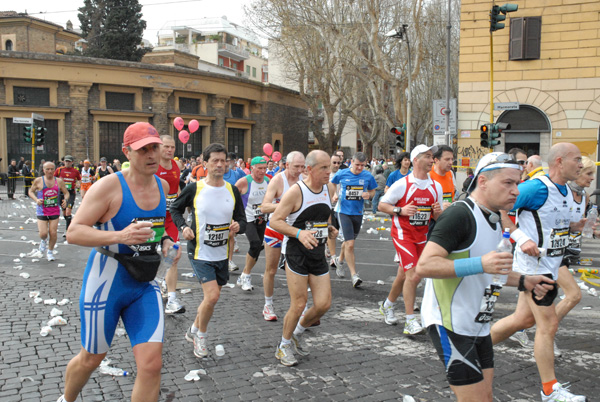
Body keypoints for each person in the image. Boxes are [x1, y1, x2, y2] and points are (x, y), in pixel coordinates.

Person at [415, 152, 555, 402]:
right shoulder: (460, 214)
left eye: (518, 182)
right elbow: (424, 266)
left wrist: (525, 281)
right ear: (483, 182)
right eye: (508, 182)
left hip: (479, 323)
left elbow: (491, 269)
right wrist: (480, 263)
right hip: (451, 323)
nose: (516, 190)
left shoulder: (495, 219)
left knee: (485, 397)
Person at [58, 122, 176, 402]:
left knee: (151, 364)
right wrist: (120, 235)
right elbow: (73, 232)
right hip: (106, 282)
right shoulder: (108, 187)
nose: (150, 155)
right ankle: (66, 399)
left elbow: (159, 227)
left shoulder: (162, 184)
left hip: (143, 284)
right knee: (92, 357)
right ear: (127, 152)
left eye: (154, 148)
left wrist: (167, 242)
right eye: (142, 149)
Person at [490, 143, 588, 402]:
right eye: (576, 159)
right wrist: (522, 239)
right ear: (559, 161)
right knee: (549, 324)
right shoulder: (536, 187)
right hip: (534, 269)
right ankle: (549, 389)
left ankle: (472, 349)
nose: (581, 164)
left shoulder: (566, 190)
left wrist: (574, 225)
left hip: (551, 266)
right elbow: (502, 207)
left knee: (522, 320)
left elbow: (551, 221)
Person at [171, 143, 246, 358]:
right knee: (212, 296)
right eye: (215, 160)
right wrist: (183, 227)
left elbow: (242, 218)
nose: (220, 164)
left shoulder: (231, 190)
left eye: (223, 160)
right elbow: (175, 208)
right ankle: (201, 337)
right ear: (205, 163)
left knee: (211, 299)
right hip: (199, 252)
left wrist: (239, 226)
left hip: (222, 254)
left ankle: (193, 329)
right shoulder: (195, 188)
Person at [271, 150, 338, 366]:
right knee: (299, 303)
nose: (330, 171)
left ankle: (298, 332)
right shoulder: (296, 191)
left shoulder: (329, 188)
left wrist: (328, 229)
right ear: (309, 170)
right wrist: (299, 233)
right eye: (324, 168)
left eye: (330, 166)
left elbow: (322, 217)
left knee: (323, 304)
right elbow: (275, 221)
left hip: (317, 253)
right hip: (296, 252)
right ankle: (283, 346)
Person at [377, 145, 443, 334]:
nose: (432, 160)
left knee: (403, 275)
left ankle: (388, 305)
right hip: (402, 235)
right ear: (416, 160)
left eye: (432, 157)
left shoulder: (435, 186)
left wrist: (438, 213)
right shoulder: (403, 184)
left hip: (421, 237)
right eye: (428, 157)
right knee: (413, 275)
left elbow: (436, 218)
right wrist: (400, 210)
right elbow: (382, 205)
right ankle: (410, 321)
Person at [260, 151, 305, 320]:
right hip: (275, 230)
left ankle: (300, 307)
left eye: (302, 166)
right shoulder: (278, 180)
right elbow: (264, 207)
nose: (300, 170)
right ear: (287, 165)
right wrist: (285, 206)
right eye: (296, 167)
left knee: (297, 271)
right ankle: (268, 305)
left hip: (294, 231)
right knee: (271, 270)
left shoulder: (304, 180)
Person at [331, 152, 377, 287]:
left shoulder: (367, 176)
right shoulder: (342, 173)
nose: (359, 168)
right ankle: (354, 275)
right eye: (357, 165)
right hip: (343, 211)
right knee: (350, 244)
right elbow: (333, 183)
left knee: (348, 242)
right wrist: (334, 194)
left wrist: (368, 195)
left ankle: (339, 261)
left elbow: (373, 191)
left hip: (358, 212)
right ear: (352, 162)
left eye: (362, 165)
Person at [156, 135, 185, 314]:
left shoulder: (176, 166)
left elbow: (177, 189)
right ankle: (158, 282)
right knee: (151, 257)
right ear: (159, 148)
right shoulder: (152, 166)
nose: (169, 150)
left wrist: (180, 206)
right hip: (154, 218)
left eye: (172, 147)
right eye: (166, 147)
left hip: (171, 218)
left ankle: (172, 300)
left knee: (173, 255)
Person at [235, 157, 270, 291]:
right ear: (252, 168)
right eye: (259, 168)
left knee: (257, 248)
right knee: (255, 244)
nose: (262, 171)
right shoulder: (244, 182)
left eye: (264, 168)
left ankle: (244, 274)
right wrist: (235, 217)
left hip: (262, 218)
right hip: (248, 218)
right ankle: (247, 275)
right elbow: (232, 198)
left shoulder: (268, 181)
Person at [28, 162, 70, 261]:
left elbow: (66, 193)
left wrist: (65, 200)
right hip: (42, 210)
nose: (50, 171)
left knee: (53, 233)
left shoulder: (59, 181)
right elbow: (30, 191)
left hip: (54, 210)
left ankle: (50, 252)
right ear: (43, 170)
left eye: (52, 169)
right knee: (43, 234)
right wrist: (36, 200)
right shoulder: (38, 180)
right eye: (47, 169)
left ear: (54, 170)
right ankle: (43, 241)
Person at [223, 152, 245, 271]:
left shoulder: (236, 174)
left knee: (231, 234)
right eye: (222, 160)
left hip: (232, 208)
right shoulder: (217, 175)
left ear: (231, 162)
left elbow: (241, 189)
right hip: (218, 208)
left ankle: (229, 261)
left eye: (227, 160)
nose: (225, 163)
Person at [54, 155, 81, 236]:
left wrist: (78, 184)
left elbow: (79, 180)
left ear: (72, 162)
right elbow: (53, 178)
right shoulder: (59, 170)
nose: (67, 163)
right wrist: (58, 182)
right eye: (66, 161)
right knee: (64, 213)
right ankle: (70, 223)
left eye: (69, 161)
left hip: (70, 193)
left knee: (68, 211)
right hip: (61, 193)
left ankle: (67, 230)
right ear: (63, 162)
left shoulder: (75, 171)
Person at [327, 154, 342, 267]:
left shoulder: (343, 174)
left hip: (340, 206)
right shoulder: (326, 174)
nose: (336, 165)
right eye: (334, 162)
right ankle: (333, 257)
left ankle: (329, 251)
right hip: (328, 206)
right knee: (331, 231)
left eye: (338, 163)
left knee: (336, 232)